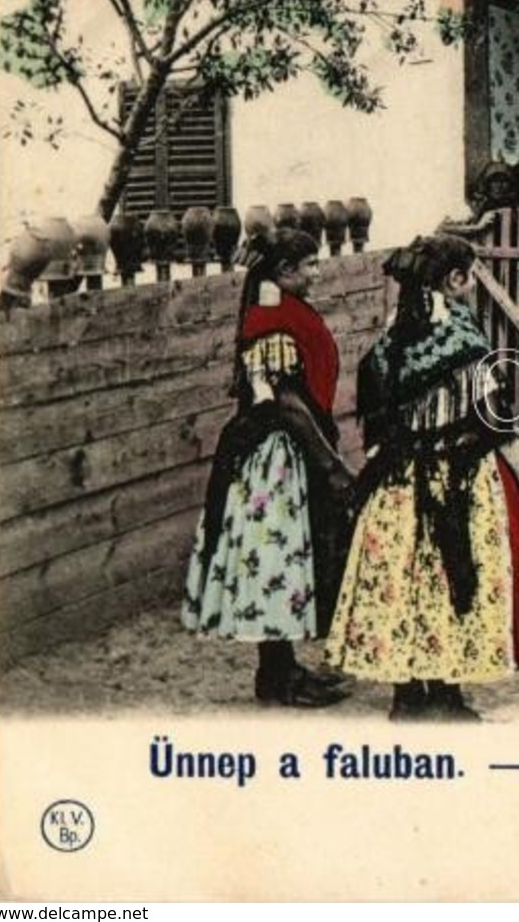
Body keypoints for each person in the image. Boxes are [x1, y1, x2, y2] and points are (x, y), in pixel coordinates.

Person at [327, 233, 519, 720]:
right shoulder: (465, 338)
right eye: (469, 275)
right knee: (456, 576)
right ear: (454, 279)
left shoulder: (392, 338)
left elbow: (374, 413)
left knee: (404, 580)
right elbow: (488, 413)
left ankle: (407, 695)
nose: (471, 284)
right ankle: (448, 693)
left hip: (399, 476)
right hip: (458, 475)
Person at [182, 228, 353, 708]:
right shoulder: (271, 320)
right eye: (310, 265)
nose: (317, 272)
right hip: (274, 454)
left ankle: (284, 670)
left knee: (288, 561)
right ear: (284, 272)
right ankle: (277, 679)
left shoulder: (284, 311)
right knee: (275, 560)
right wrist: (331, 464)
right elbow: (286, 401)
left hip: (288, 448)